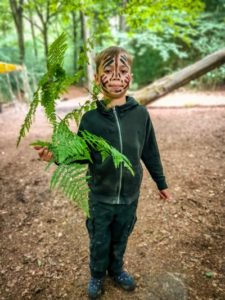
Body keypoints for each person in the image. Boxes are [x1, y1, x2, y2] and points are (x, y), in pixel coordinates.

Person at [34, 46, 171, 299]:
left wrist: (161, 181)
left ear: (131, 76)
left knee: (122, 235)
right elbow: (80, 153)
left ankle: (116, 269)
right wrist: (57, 155)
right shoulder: (90, 119)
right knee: (99, 238)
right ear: (97, 79)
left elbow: (150, 151)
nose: (117, 77)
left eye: (123, 70)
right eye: (108, 71)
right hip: (100, 198)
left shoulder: (141, 115)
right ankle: (97, 274)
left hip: (130, 196)